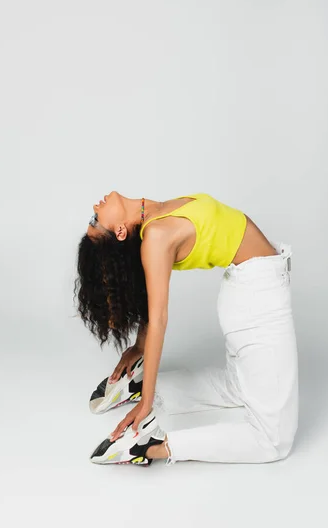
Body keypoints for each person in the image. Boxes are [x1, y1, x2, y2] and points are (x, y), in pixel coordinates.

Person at [74, 191, 299, 466]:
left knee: (237, 385)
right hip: (259, 300)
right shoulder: (155, 236)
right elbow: (158, 318)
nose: (96, 206)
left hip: (249, 292)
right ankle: (152, 446)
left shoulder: (154, 216)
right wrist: (146, 406)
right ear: (120, 231)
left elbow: (148, 293)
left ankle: (143, 386)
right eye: (96, 219)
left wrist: (140, 347)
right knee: (274, 442)